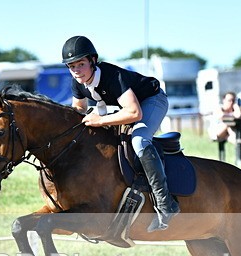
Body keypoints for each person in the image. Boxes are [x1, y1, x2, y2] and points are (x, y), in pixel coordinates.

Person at [62, 35, 179, 232]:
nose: (76, 71)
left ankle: (166, 204)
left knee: (140, 141)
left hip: (152, 100)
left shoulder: (111, 76)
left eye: (80, 64)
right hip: (130, 106)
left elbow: (134, 112)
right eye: (71, 66)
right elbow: (79, 110)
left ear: (92, 61)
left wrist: (100, 120)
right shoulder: (78, 82)